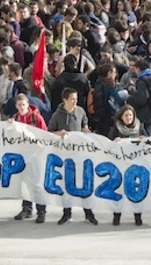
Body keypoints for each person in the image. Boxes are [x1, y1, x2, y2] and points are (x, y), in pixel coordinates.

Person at [48, 87, 98, 226]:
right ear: (65, 100)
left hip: (80, 154)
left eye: (76, 99)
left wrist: (86, 130)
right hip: (65, 155)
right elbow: (50, 132)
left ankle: (88, 213)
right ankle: (66, 213)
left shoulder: (80, 111)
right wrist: (60, 133)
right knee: (67, 184)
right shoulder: (57, 115)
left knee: (84, 184)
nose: (75, 102)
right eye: (72, 99)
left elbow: (84, 124)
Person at [11, 93, 48, 224]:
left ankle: (41, 210)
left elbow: (44, 134)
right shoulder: (14, 119)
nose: (21, 107)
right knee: (25, 183)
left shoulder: (36, 118)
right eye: (19, 105)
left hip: (36, 155)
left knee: (37, 184)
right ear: (16, 105)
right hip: (22, 155)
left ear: (28, 105)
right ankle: (26, 208)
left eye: (24, 105)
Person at [108, 104, 145, 227]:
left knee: (136, 191)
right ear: (121, 117)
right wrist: (115, 142)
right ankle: (117, 216)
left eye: (130, 115)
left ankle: (137, 216)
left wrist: (143, 139)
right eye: (126, 115)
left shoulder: (140, 127)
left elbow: (149, 142)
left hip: (135, 166)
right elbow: (108, 144)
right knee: (119, 191)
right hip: (120, 165)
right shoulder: (116, 129)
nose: (128, 117)